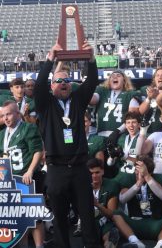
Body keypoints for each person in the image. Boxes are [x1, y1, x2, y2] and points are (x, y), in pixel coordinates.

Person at [34, 40, 102, 248]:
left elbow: (91, 81)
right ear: (52, 85)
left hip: (80, 169)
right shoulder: (46, 105)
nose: (63, 84)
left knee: (88, 217)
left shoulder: (79, 100)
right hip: (56, 170)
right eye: (58, 81)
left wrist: (91, 59)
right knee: (60, 219)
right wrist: (50, 59)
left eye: (66, 80)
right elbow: (38, 86)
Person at [0, 100, 44, 248]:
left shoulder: (28, 128)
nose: (6, 118)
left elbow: (37, 151)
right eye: (3, 115)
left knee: (34, 216)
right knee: (19, 217)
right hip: (10, 180)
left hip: (27, 178)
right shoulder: (2, 134)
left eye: (9, 114)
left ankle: (39, 245)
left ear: (18, 114)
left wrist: (30, 170)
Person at [112, 155, 162, 248]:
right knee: (116, 214)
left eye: (140, 170)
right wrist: (138, 184)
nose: (137, 173)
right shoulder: (129, 178)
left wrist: (147, 177)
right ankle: (136, 243)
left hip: (155, 223)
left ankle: (160, 245)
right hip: (135, 223)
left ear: (150, 172)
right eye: (136, 170)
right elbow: (123, 199)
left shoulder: (161, 178)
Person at [89, 70, 139, 138]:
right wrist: (87, 88)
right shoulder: (102, 91)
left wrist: (118, 131)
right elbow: (92, 100)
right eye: (112, 76)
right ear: (109, 80)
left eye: (118, 76)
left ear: (124, 80)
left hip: (121, 135)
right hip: (101, 134)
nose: (115, 77)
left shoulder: (130, 94)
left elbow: (131, 118)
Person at [87, 158, 120, 248]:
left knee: (110, 240)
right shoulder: (83, 186)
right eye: (91, 173)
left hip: (106, 221)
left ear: (103, 172)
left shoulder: (111, 185)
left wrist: (97, 204)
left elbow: (111, 214)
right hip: (90, 222)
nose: (94, 176)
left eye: (97, 172)